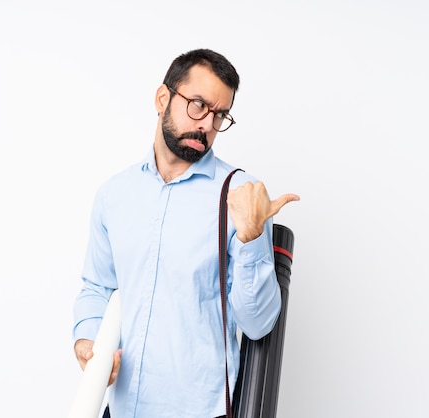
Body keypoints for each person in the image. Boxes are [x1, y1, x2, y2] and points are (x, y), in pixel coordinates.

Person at [72, 48, 299, 418]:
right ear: (164, 98)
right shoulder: (115, 195)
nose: (207, 124)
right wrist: (87, 339)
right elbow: (98, 287)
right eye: (198, 105)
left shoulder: (241, 195)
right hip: (121, 407)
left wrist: (252, 235)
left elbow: (258, 325)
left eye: (220, 114)